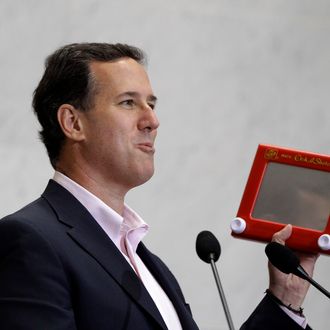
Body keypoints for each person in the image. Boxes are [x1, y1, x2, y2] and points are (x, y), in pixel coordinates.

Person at [0, 43, 318, 329]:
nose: (152, 120)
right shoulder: (30, 240)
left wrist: (283, 300)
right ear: (73, 123)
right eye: (128, 103)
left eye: (151, 104)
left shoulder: (146, 262)